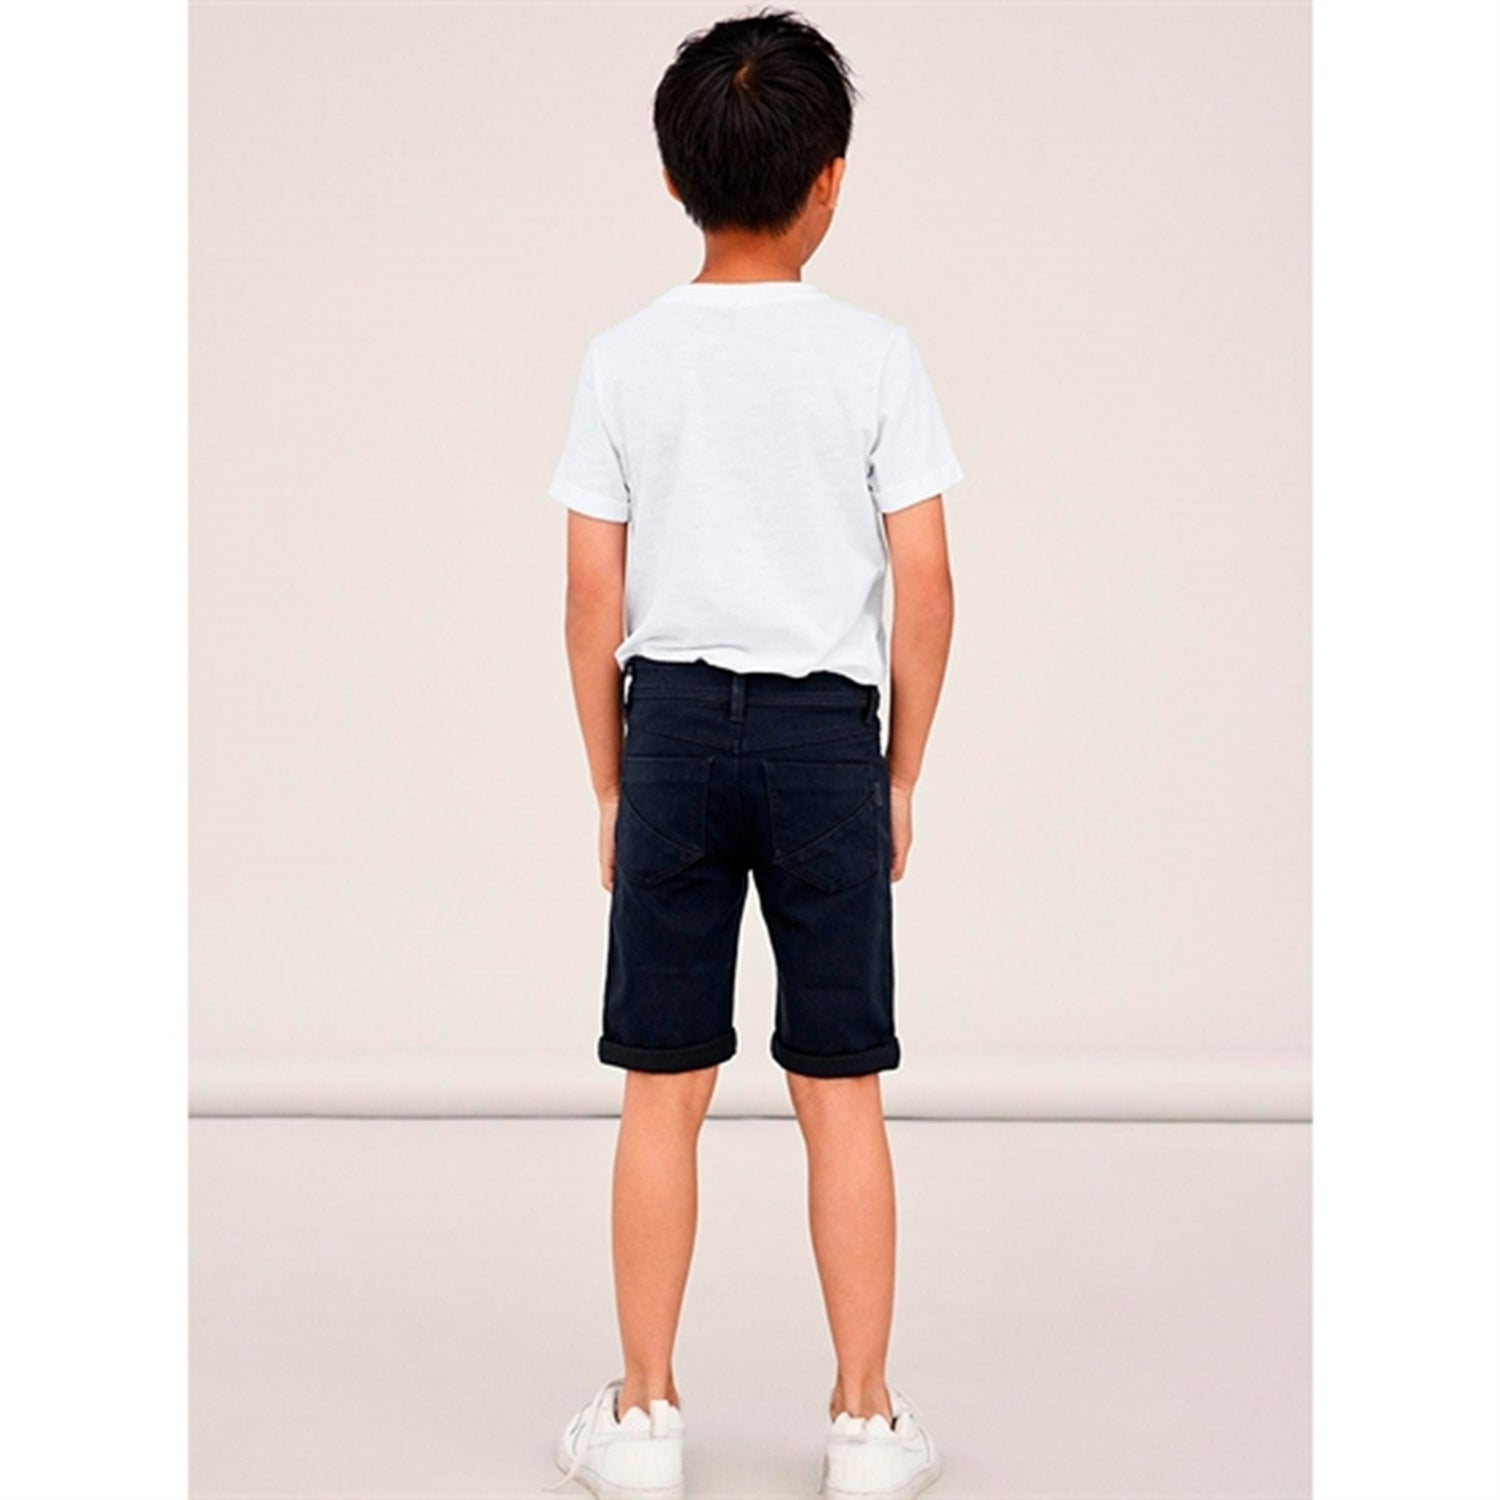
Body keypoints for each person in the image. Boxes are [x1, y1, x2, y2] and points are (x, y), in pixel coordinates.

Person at [542, 10, 961, 1499]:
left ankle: (644, 1418)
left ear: (674, 178)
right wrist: (898, 774)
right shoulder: (875, 356)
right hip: (822, 740)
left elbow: (591, 599)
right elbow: (927, 586)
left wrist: (613, 781)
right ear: (829, 180)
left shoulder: (624, 360)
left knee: (665, 1083)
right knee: (838, 1086)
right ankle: (865, 1423)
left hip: (669, 731)